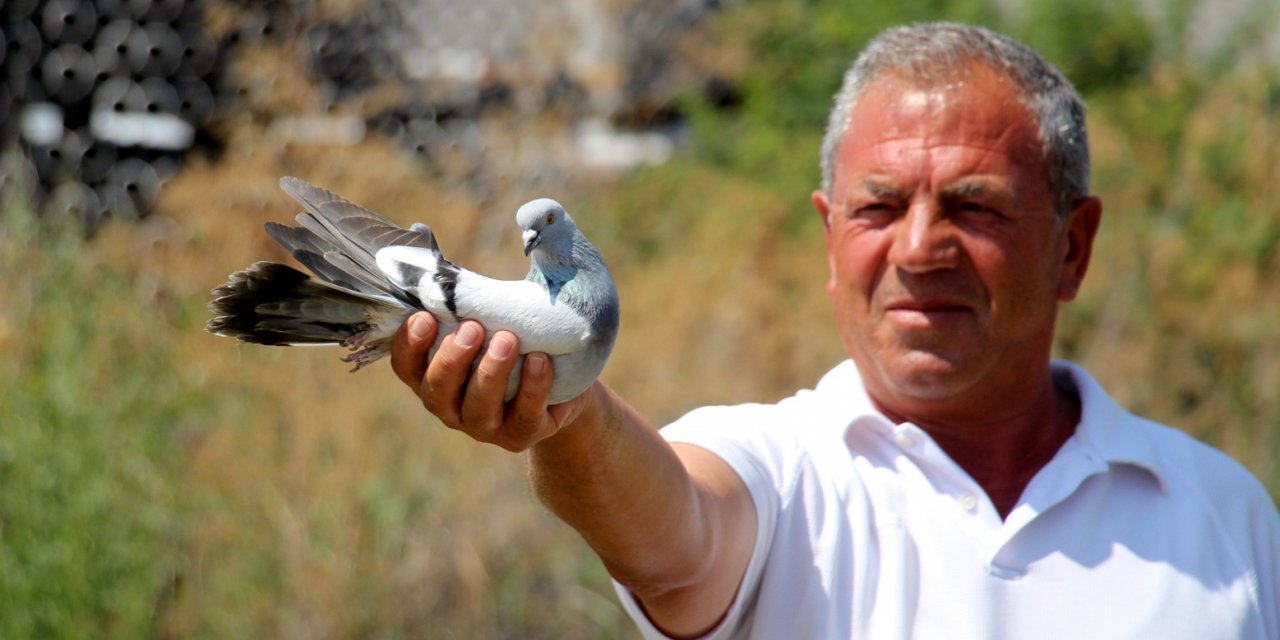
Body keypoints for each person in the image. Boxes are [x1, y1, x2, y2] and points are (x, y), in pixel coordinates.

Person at [389, 22, 1280, 640]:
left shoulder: (1228, 516)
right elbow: (673, 536)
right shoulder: (780, 471)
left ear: (1072, 248)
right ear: (829, 237)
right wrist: (567, 407)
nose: (922, 248)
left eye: (975, 206)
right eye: (879, 206)